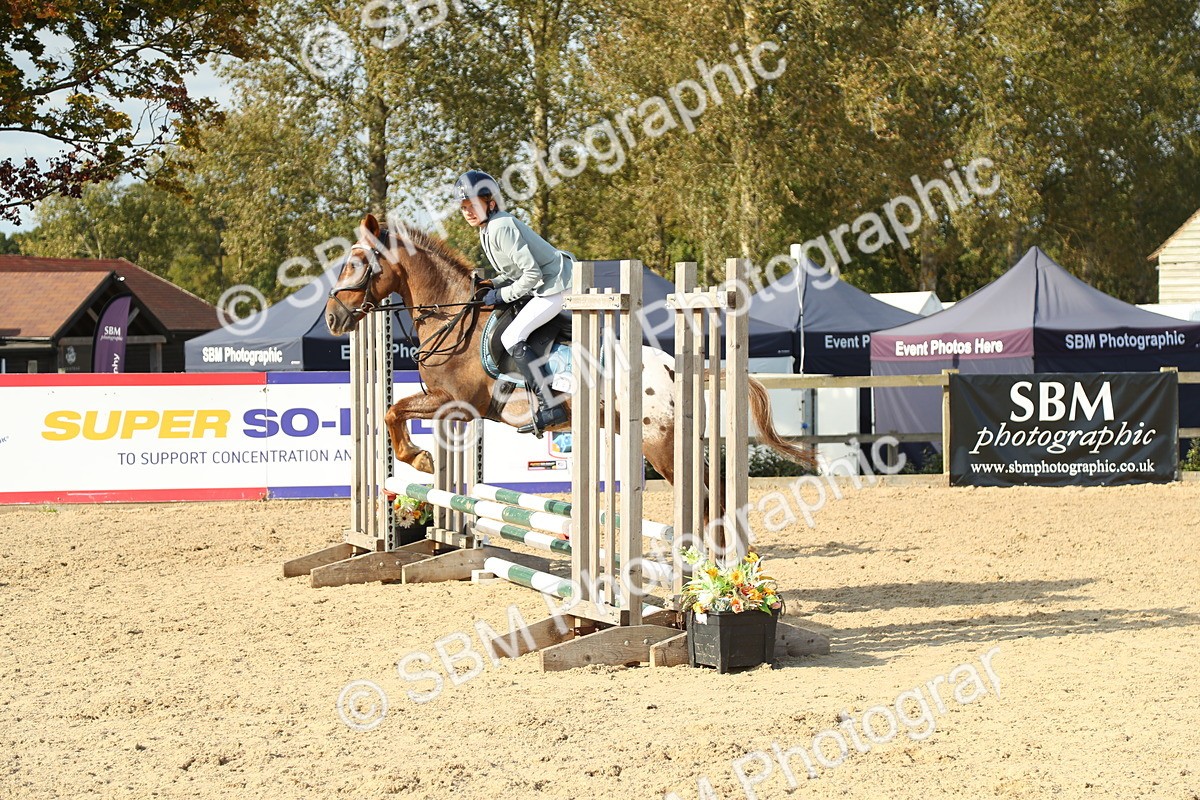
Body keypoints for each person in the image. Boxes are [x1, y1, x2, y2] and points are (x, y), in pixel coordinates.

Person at [455, 169, 572, 435]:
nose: (468, 212)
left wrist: (501, 295)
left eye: (473, 205)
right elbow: (513, 272)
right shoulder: (487, 229)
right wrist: (491, 284)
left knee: (512, 336)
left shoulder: (500, 226)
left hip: (557, 286)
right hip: (545, 285)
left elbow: (532, 274)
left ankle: (550, 406)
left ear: (490, 202)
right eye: (464, 207)